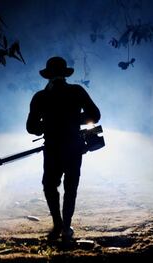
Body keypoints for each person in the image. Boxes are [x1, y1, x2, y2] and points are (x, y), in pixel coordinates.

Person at [26, 56, 101, 241]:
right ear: (64, 75)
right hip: (73, 146)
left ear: (48, 76)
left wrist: (49, 125)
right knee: (70, 186)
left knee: (50, 185)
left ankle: (59, 223)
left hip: (53, 147)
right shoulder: (76, 91)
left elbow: (31, 127)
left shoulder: (41, 96)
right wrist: (73, 121)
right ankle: (65, 225)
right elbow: (95, 115)